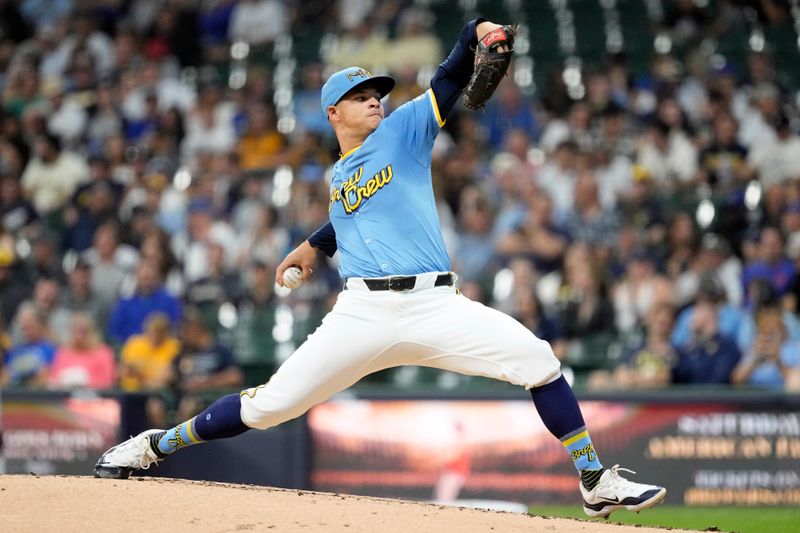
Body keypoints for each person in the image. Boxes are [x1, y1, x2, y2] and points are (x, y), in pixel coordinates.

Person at [94, 19, 665, 518]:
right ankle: (155, 445)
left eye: (378, 93)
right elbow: (348, 212)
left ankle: (595, 482)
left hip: (434, 305)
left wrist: (477, 31)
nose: (375, 101)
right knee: (269, 406)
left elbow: (448, 75)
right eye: (361, 95)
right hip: (362, 312)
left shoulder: (404, 131)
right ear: (332, 111)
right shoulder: (339, 175)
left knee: (539, 361)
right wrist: (313, 245)